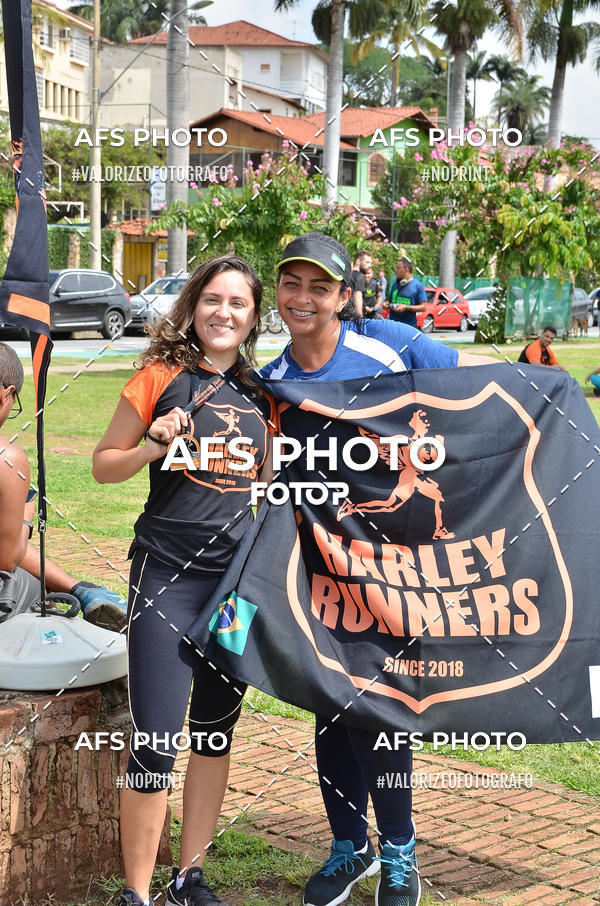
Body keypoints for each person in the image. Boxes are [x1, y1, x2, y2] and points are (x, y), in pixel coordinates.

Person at [261, 232, 496, 906]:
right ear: (279, 293)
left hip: (394, 568)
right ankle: (348, 846)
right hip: (318, 567)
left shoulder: (391, 344)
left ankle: (400, 853)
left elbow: (478, 387)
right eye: (292, 284)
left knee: (381, 705)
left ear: (343, 295)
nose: (304, 298)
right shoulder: (273, 380)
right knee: (329, 704)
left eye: (320, 286)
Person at [92, 256, 276, 906]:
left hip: (235, 592)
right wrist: (150, 445)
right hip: (166, 577)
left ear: (254, 317)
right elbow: (103, 466)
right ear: (194, 305)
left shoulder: (266, 395)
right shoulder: (159, 376)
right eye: (213, 300)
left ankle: (187, 880)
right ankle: (137, 894)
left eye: (239, 304)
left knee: (214, 733)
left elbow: (277, 487)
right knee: (156, 742)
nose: (224, 312)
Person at [0, 342, 127, 628]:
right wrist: (27, 515)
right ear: (6, 394)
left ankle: (81, 588)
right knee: (39, 596)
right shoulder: (8, 458)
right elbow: (7, 559)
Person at [388, 257, 427, 329]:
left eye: (398, 268)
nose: (395, 270)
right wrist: (386, 305)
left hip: (409, 328)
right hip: (392, 327)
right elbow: (389, 302)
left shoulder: (418, 286)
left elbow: (423, 307)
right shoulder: (395, 285)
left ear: (406, 269)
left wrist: (406, 307)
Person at [349, 249, 372, 318]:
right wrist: (359, 318)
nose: (370, 265)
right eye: (367, 262)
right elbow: (358, 297)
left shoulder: (347, 273)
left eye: (370, 263)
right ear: (358, 261)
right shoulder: (359, 276)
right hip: (353, 315)